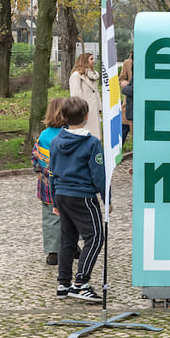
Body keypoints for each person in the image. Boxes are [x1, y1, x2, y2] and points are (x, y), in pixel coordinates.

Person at [49, 96, 106, 303]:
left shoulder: (55, 142)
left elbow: (51, 172)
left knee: (68, 239)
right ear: (87, 115)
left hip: (63, 194)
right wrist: (106, 198)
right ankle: (80, 283)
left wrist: (55, 200)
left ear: (63, 117)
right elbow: (98, 173)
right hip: (83, 196)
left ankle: (63, 283)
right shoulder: (92, 143)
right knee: (96, 237)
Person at [34, 98, 66, 266]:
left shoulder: (44, 135)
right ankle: (72, 245)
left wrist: (41, 170)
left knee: (50, 217)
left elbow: (36, 158)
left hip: (48, 183)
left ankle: (53, 252)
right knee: (71, 215)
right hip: (68, 182)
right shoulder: (70, 133)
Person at [69, 52, 102, 141]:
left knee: (94, 136)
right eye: (91, 59)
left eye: (93, 58)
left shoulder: (92, 75)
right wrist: (82, 110)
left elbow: (96, 92)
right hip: (84, 110)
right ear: (84, 61)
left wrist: (99, 107)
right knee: (85, 135)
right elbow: (76, 95)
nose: (94, 61)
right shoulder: (76, 75)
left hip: (93, 110)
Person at [119, 53, 133, 143]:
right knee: (123, 128)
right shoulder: (127, 63)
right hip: (128, 102)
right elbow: (121, 79)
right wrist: (127, 84)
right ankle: (116, 154)